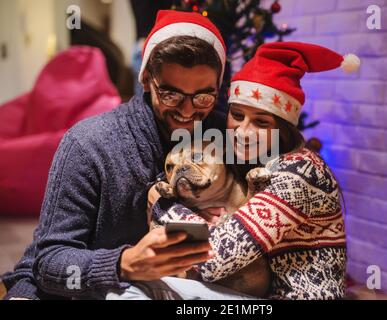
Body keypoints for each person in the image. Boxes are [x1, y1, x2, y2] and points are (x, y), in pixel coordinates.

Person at [1, 10, 235, 300]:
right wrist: (124, 264)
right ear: (147, 79)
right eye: (170, 95)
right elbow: (48, 263)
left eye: (203, 97)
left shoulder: (227, 137)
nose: (187, 112)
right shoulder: (89, 144)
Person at [123, 42, 361, 300]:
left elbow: (213, 259)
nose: (244, 131)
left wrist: (163, 203)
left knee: (133, 294)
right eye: (237, 115)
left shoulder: (301, 171)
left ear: (283, 128)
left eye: (261, 122)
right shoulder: (256, 160)